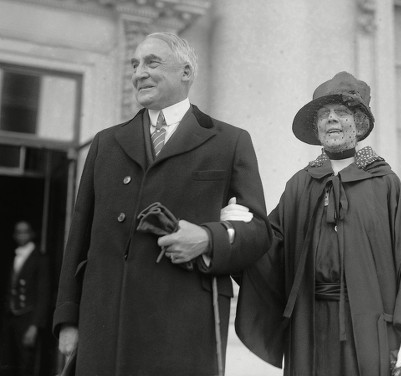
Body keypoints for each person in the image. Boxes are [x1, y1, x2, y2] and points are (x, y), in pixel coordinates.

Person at [53, 32, 271, 376]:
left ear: (186, 72)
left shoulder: (229, 141)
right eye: (135, 64)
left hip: (184, 323)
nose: (139, 72)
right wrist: (68, 318)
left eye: (152, 63)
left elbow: (258, 231)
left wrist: (208, 238)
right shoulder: (106, 143)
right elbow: (78, 238)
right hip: (106, 321)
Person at [223, 72, 401, 375]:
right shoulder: (300, 185)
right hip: (310, 326)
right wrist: (238, 233)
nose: (331, 120)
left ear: (359, 123)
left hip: (369, 326)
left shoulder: (385, 184)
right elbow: (268, 249)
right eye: (323, 115)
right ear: (317, 127)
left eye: (341, 112)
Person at [0, 221, 50, 376]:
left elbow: (44, 295)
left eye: (25, 231)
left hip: (28, 319)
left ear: (32, 234)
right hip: (10, 318)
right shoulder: (12, 256)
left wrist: (34, 325)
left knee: (27, 364)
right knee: (7, 362)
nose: (22, 235)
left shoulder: (40, 258)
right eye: (18, 232)